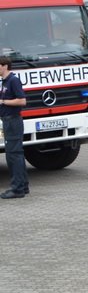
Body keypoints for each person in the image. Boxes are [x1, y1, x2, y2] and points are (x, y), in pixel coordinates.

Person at [0, 56, 28, 199]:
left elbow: (22, 100)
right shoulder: (4, 82)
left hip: (13, 121)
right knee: (16, 153)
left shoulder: (13, 80)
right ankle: (23, 186)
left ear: (4, 66)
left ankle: (17, 189)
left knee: (13, 155)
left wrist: (3, 102)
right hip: (8, 121)